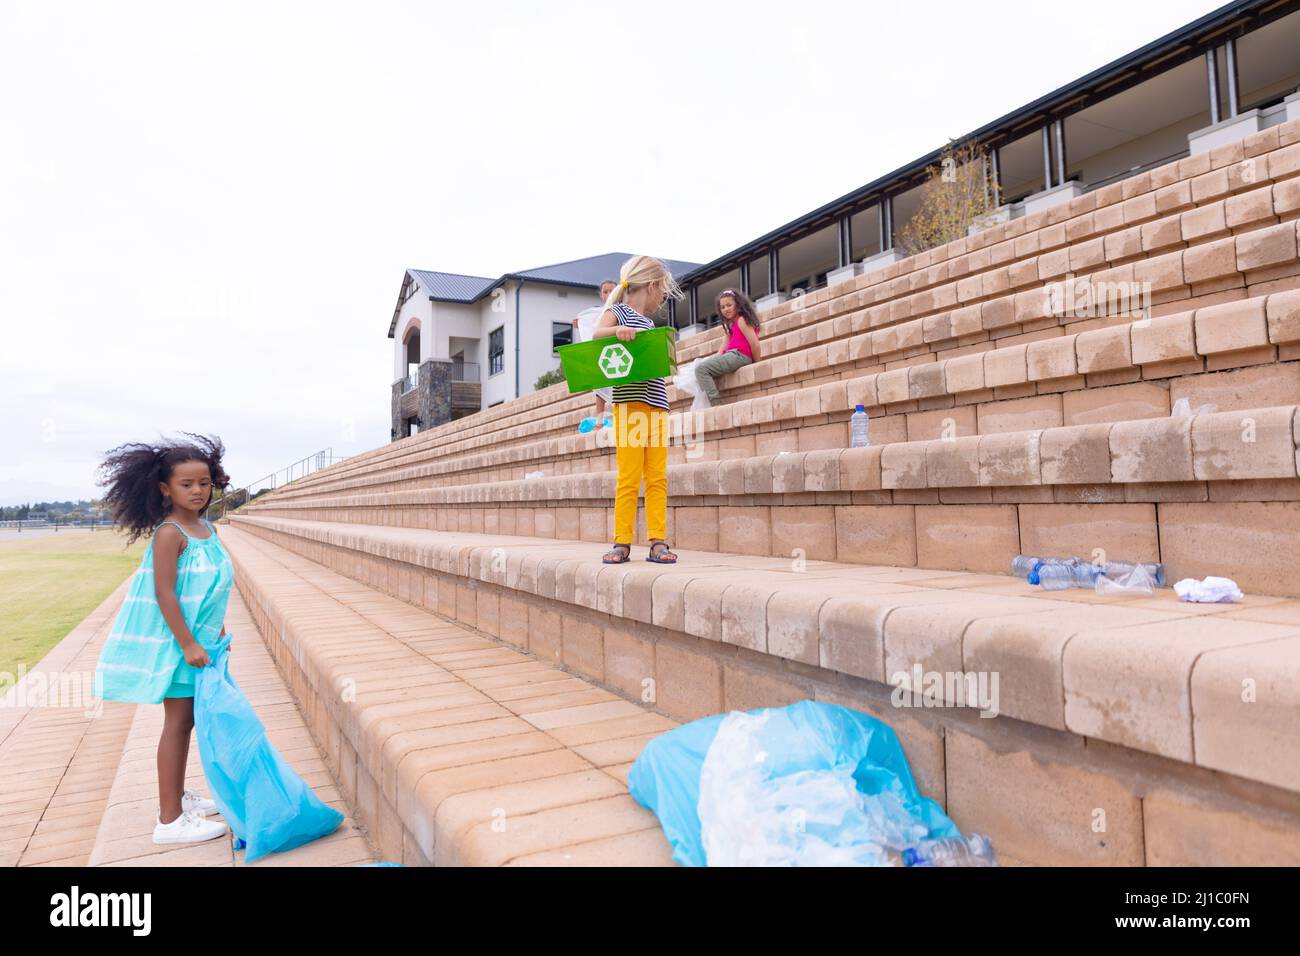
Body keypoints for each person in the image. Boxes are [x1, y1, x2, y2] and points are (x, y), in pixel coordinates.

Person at [93, 433, 235, 845]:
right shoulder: (171, 533)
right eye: (186, 484)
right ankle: (170, 820)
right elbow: (165, 593)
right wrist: (189, 644)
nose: (197, 491)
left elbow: (210, 589)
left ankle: (176, 796)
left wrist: (217, 631)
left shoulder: (205, 527)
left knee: (188, 721)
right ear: (164, 489)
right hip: (180, 648)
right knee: (179, 722)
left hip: (202, 642)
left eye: (204, 482)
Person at [592, 255, 683, 565]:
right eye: (663, 291)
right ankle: (622, 541)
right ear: (653, 286)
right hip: (629, 405)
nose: (662, 298)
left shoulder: (650, 324)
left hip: (657, 405)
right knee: (629, 476)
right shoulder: (617, 312)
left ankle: (658, 540)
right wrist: (618, 332)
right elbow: (596, 334)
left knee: (657, 477)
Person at [694, 288, 761, 406]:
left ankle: (716, 403)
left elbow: (755, 344)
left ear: (738, 305)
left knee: (701, 369)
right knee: (700, 366)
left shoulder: (742, 320)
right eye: (722, 307)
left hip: (740, 355)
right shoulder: (729, 324)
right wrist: (714, 360)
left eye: (729, 305)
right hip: (731, 355)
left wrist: (757, 363)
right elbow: (723, 347)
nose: (726, 309)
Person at [573, 279, 617, 426]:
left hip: (618, 353)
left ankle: (620, 417)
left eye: (612, 290)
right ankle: (599, 419)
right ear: (601, 295)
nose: (609, 294)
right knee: (601, 385)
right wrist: (580, 323)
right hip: (603, 353)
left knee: (619, 385)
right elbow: (589, 324)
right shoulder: (597, 313)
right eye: (606, 291)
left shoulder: (623, 310)